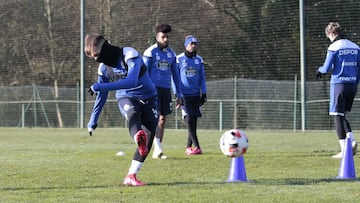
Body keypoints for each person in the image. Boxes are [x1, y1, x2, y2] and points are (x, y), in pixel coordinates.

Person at [84, 34, 159, 186]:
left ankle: (131, 175)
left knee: (149, 138)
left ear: (105, 47)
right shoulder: (103, 68)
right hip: (126, 97)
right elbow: (102, 96)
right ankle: (137, 136)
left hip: (149, 97)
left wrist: (101, 86)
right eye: (93, 57)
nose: (97, 59)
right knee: (133, 113)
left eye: (97, 55)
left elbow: (132, 81)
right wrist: (93, 119)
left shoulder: (129, 54)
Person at [317, 22, 359, 159]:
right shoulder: (355, 47)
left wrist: (319, 71)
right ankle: (351, 141)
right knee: (342, 115)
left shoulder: (334, 47)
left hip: (339, 84)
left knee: (336, 115)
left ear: (332, 34)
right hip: (352, 85)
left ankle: (344, 150)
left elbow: (326, 67)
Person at [143, 24, 183, 159]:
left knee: (162, 118)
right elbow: (143, 73)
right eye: (163, 37)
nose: (165, 39)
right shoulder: (150, 53)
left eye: (167, 37)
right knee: (153, 119)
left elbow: (175, 75)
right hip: (152, 90)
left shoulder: (171, 54)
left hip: (165, 90)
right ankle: (149, 146)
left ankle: (157, 148)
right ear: (157, 37)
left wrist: (179, 93)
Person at [175, 35, 207, 155]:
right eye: (191, 44)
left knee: (193, 120)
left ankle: (188, 147)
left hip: (195, 95)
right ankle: (197, 147)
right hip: (184, 95)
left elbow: (202, 78)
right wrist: (177, 94)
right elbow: (175, 78)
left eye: (195, 44)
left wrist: (203, 93)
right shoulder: (179, 59)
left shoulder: (199, 60)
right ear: (186, 45)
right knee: (188, 119)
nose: (193, 46)